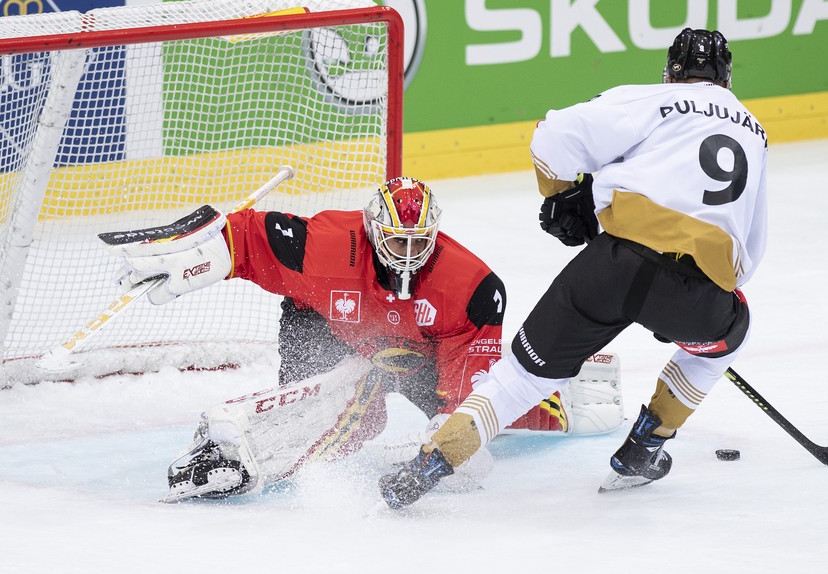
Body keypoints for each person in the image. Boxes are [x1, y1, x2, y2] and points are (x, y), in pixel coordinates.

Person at [379, 28, 768, 507]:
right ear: (727, 79)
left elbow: (552, 136)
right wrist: (682, 303)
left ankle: (430, 463)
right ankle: (642, 452)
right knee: (727, 339)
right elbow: (747, 251)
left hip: (612, 268)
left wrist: (564, 198)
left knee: (520, 380)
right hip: (697, 295)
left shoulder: (651, 100)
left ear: (670, 73)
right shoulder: (755, 131)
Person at [102, 176, 587, 501]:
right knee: (329, 410)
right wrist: (212, 253)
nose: (409, 255)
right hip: (331, 330)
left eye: (421, 243)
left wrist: (439, 454)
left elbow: (463, 400)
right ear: (375, 232)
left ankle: (562, 401)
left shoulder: (474, 289)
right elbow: (248, 237)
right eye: (399, 241)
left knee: (476, 445)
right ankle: (271, 447)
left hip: (426, 357)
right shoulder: (328, 247)